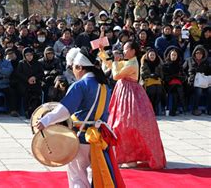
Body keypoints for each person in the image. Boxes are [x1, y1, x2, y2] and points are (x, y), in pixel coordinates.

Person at [37, 47, 124, 188]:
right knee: (94, 174)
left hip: (80, 137)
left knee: (77, 176)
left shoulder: (80, 85)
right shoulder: (103, 86)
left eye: (74, 68)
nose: (73, 72)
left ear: (80, 67)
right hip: (98, 138)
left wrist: (46, 120)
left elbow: (64, 110)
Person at [99, 41, 166, 169]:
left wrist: (115, 62)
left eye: (125, 49)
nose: (123, 51)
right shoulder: (129, 61)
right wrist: (103, 52)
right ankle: (128, 156)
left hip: (130, 95)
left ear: (133, 51)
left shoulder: (132, 63)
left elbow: (116, 75)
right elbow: (112, 65)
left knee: (127, 124)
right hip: (124, 92)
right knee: (123, 124)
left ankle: (131, 157)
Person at [182, 45, 210, 116]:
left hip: (204, 82)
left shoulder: (206, 62)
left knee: (210, 90)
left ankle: (209, 109)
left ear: (203, 54)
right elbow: (182, 70)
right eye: (197, 53)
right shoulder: (189, 60)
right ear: (194, 53)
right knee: (198, 90)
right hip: (192, 82)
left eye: (201, 53)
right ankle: (195, 109)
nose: (199, 55)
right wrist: (187, 78)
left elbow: (209, 73)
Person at [140, 48, 165, 116]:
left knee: (159, 91)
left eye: (153, 55)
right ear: (148, 55)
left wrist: (157, 75)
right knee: (152, 91)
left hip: (157, 80)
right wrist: (150, 75)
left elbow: (162, 74)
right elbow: (142, 74)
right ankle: (151, 108)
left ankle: (155, 107)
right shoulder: (144, 62)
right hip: (148, 81)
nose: (152, 56)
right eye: (151, 55)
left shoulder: (158, 62)